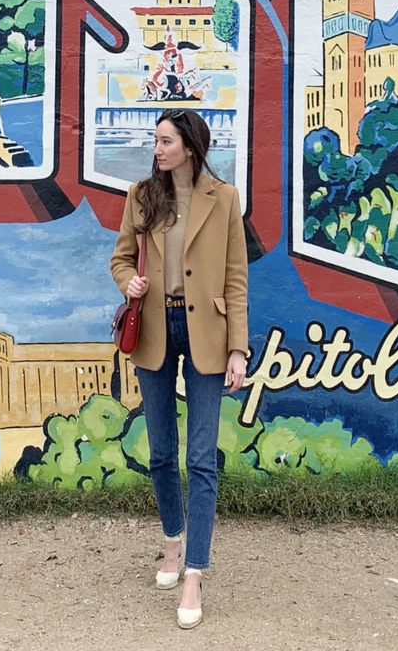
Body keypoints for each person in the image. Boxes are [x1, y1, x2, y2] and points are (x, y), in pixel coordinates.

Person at [110, 108, 249, 630]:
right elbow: (121, 258)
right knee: (163, 452)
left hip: (207, 333)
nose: (157, 149)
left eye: (165, 141)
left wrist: (238, 348)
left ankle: (194, 572)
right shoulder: (142, 196)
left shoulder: (225, 199)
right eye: (155, 141)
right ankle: (172, 543)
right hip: (154, 328)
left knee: (202, 457)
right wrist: (129, 283)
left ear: (189, 148)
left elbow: (235, 279)